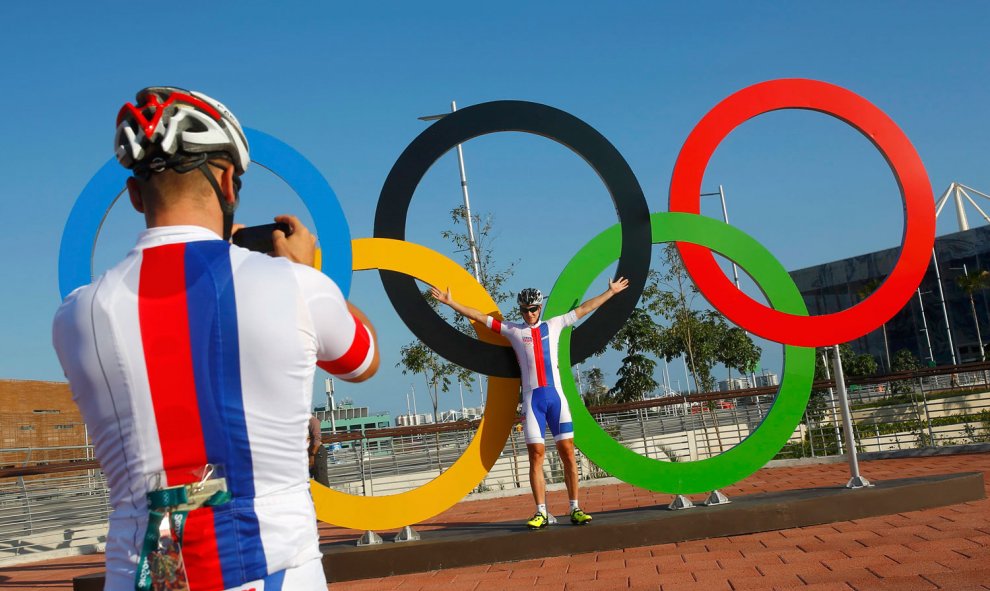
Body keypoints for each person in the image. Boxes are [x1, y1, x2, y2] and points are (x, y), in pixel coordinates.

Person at [53, 87, 379, 591]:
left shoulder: (76, 315)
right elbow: (362, 359)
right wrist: (306, 267)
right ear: (228, 182)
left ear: (136, 195)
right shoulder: (294, 286)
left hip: (142, 574)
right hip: (271, 569)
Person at [432, 278, 628, 529]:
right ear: (520, 310)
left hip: (556, 398)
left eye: (533, 309)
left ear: (540, 307)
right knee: (536, 455)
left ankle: (575, 507)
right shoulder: (513, 330)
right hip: (532, 400)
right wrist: (451, 303)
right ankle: (541, 511)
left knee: (567, 452)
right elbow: (480, 317)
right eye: (525, 310)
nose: (530, 314)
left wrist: (610, 292)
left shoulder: (554, 324)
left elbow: (584, 309)